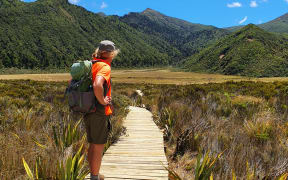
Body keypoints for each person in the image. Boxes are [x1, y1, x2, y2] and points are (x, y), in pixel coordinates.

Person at [84, 40, 119, 180]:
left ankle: (94, 174)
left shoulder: (91, 64)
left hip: (87, 109)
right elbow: (97, 84)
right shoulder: (104, 67)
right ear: (110, 53)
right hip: (98, 111)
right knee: (98, 146)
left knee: (92, 144)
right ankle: (94, 177)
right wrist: (102, 101)